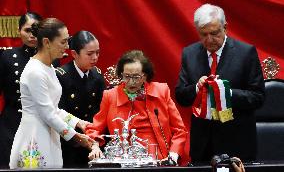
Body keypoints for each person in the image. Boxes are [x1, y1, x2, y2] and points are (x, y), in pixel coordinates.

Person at [175, 4, 265, 163]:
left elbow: (258, 97)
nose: (209, 40)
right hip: (202, 146)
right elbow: (181, 96)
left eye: (215, 33)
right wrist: (197, 88)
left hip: (237, 144)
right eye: (203, 34)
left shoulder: (246, 53)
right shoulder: (189, 54)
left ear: (225, 28)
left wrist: (225, 92)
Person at [9, 18, 94, 169]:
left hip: (49, 133)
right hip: (34, 136)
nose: (67, 47)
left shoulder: (47, 67)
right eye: (63, 42)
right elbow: (48, 113)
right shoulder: (35, 71)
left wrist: (79, 123)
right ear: (47, 42)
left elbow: (53, 108)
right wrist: (76, 137)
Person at [86, 50, 187, 165]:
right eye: (127, 76)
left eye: (136, 77)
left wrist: (173, 156)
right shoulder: (110, 96)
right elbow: (94, 129)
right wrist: (95, 147)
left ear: (145, 76)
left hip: (159, 159)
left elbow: (179, 130)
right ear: (121, 75)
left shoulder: (161, 92)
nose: (131, 82)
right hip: (123, 160)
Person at [56, 30, 105, 167]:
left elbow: (100, 111)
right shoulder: (61, 76)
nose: (95, 57)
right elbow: (58, 112)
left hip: (92, 138)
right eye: (89, 54)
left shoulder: (97, 75)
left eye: (97, 52)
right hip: (69, 140)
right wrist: (77, 136)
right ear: (74, 54)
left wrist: (95, 138)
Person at [0, 12, 43, 168]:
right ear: (19, 31)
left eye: (36, 30)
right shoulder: (7, 56)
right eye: (27, 30)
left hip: (41, 123)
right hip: (12, 123)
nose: (32, 35)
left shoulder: (51, 58)